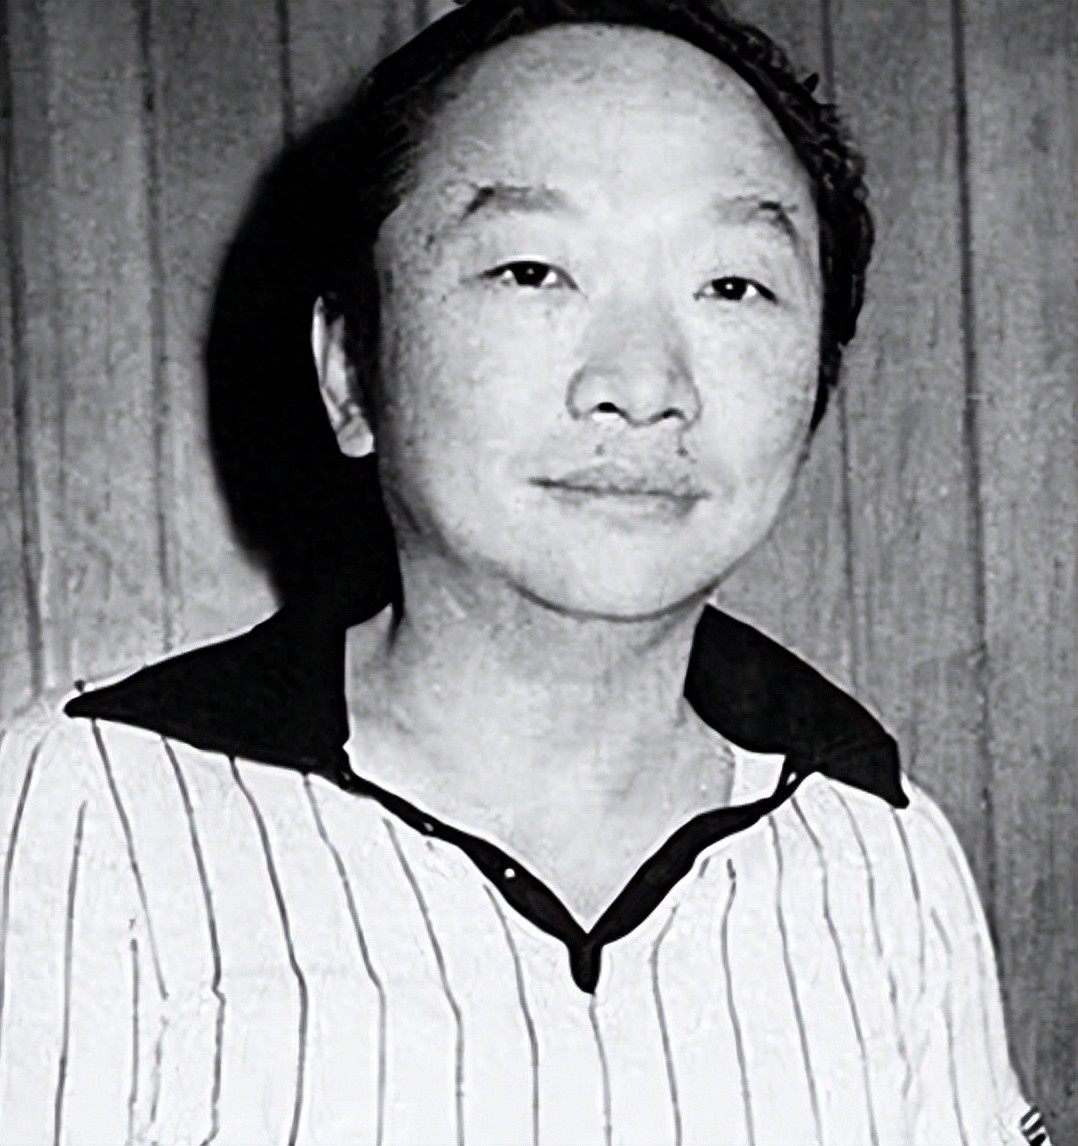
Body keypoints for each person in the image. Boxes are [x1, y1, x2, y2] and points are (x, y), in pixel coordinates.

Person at [0, 0, 1052, 1142]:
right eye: (533, 270)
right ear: (351, 369)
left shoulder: (881, 855)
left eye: (732, 285)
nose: (642, 384)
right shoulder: (99, 810)